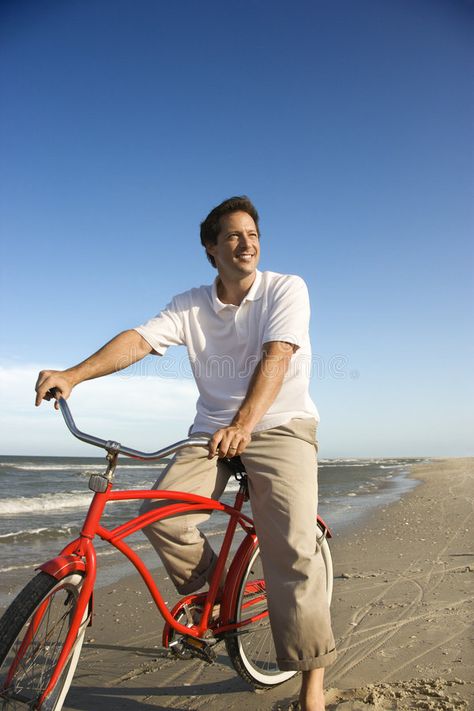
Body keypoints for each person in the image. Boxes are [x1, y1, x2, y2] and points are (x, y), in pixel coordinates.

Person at [35, 196, 336, 711]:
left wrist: (245, 424)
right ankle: (219, 599)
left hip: (281, 426)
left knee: (291, 546)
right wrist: (73, 375)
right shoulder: (190, 303)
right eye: (234, 236)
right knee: (159, 513)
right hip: (213, 432)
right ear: (211, 249)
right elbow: (139, 339)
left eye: (253, 234)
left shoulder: (287, 288)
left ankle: (311, 688)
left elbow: (278, 355)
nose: (247, 243)